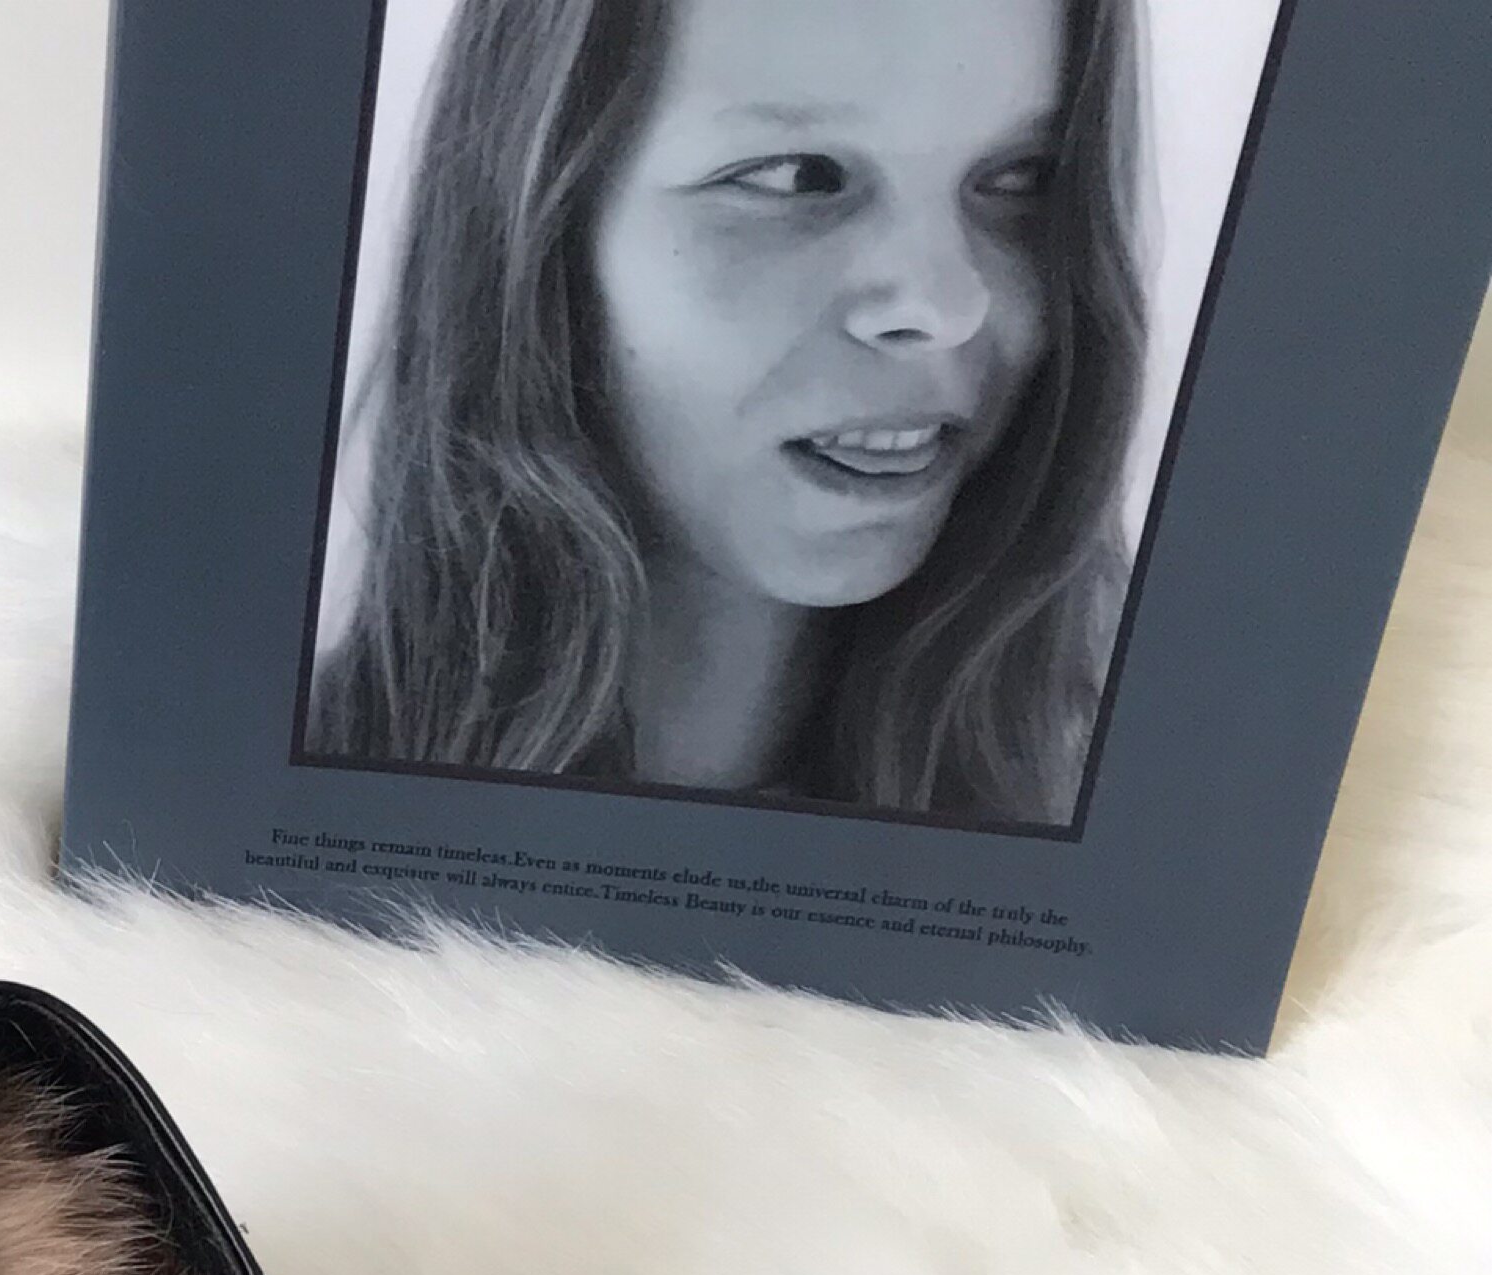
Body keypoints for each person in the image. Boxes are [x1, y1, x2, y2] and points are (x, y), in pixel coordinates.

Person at [309, 0, 1147, 822]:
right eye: (795, 176)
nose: (943, 306)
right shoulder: (264, 836)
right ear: (538, 232)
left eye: (1018, 179)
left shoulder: (1129, 835)